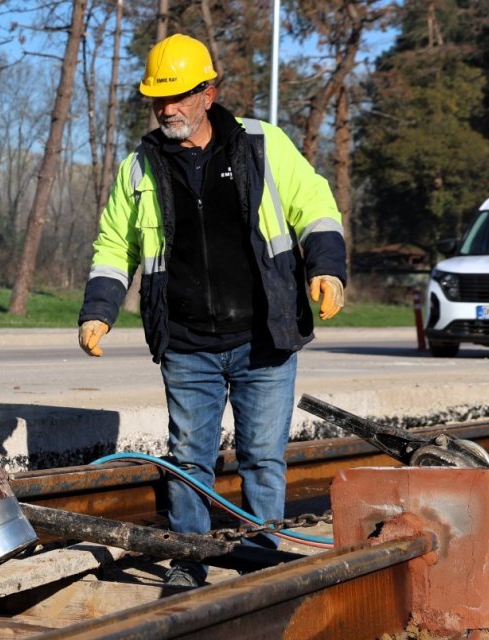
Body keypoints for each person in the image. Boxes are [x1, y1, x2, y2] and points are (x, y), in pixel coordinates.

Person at [76, 34, 347, 588]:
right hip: (186, 341)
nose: (167, 109)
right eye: (158, 100)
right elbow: (113, 247)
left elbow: (315, 207)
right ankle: (190, 559)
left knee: (263, 459)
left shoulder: (260, 145)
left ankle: (263, 558)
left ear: (208, 92)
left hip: (264, 337)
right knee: (189, 461)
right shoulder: (139, 167)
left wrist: (327, 266)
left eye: (178, 96)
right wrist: (98, 309)